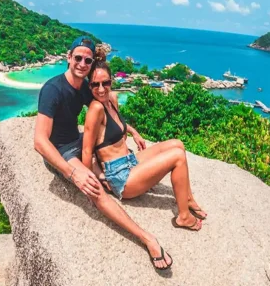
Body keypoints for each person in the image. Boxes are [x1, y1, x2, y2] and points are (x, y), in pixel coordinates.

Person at [34, 36, 173, 270]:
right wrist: (72, 172)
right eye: (77, 58)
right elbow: (39, 141)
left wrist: (132, 130)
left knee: (109, 159)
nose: (82, 63)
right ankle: (147, 238)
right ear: (68, 58)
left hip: (78, 141)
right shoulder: (53, 89)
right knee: (95, 190)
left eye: (87, 60)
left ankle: (112, 178)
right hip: (62, 152)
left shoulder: (84, 88)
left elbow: (107, 112)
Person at [81, 57, 207, 232]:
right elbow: (87, 150)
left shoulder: (111, 99)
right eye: (95, 85)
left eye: (105, 83)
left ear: (111, 81)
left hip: (130, 161)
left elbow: (116, 125)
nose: (101, 89)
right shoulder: (96, 109)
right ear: (89, 86)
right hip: (121, 178)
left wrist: (133, 131)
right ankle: (183, 217)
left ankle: (188, 198)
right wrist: (91, 190)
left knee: (177, 144)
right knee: (177, 157)